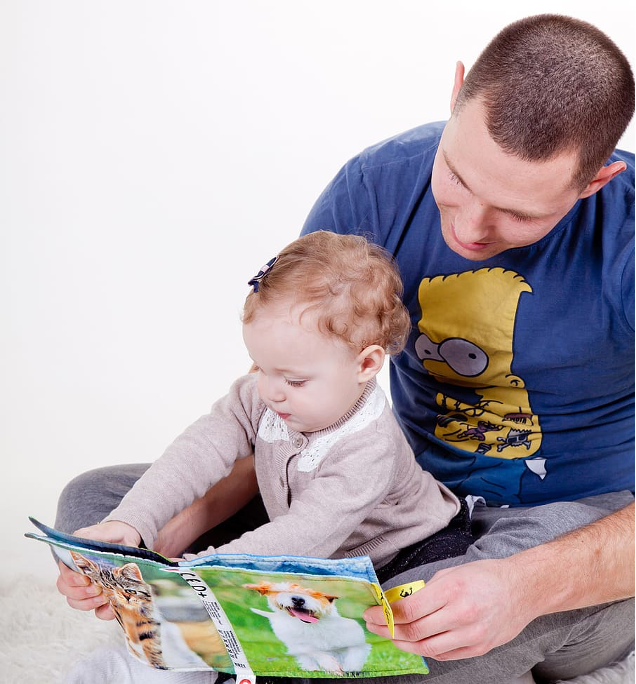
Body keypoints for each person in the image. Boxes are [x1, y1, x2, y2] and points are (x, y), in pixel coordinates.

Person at [56, 13, 634, 684]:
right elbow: (284, 406)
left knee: (433, 625)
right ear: (454, 95)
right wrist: (168, 532)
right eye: (458, 177)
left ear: (596, 180)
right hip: (393, 500)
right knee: (95, 507)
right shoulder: (375, 186)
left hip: (574, 527)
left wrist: (524, 588)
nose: (471, 228)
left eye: (520, 213)